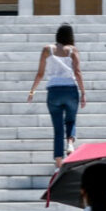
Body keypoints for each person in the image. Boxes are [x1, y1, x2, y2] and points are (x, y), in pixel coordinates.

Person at [27, 23, 87, 169]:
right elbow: (77, 72)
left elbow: (40, 73)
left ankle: (58, 162)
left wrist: (32, 91)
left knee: (58, 127)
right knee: (71, 119)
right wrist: (83, 93)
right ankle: (70, 143)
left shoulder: (47, 50)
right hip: (70, 89)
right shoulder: (73, 50)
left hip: (53, 91)